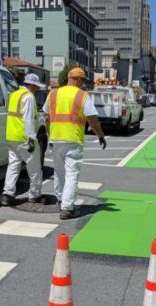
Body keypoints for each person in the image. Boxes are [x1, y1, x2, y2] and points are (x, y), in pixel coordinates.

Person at [43, 67, 107, 220]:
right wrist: (100, 135)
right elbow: (92, 118)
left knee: (59, 172)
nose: (83, 84)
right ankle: (67, 207)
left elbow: (46, 116)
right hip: (73, 139)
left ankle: (60, 199)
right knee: (72, 173)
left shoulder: (54, 93)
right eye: (82, 80)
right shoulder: (81, 95)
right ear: (77, 79)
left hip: (56, 138)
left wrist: (49, 133)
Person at [2, 73, 46, 206]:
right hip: (24, 138)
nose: (37, 90)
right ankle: (35, 195)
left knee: (13, 165)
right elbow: (27, 119)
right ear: (32, 85)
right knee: (34, 167)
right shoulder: (29, 97)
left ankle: (7, 195)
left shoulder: (14, 94)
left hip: (11, 136)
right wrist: (32, 138)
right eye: (36, 87)